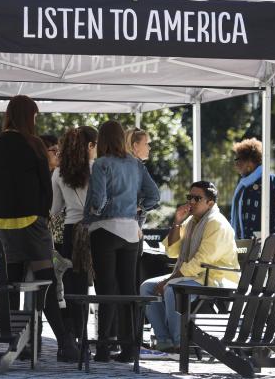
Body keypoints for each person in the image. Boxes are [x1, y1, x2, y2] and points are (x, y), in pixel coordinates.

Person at [0, 96, 80, 362]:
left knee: (11, 284)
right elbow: (45, 182)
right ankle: (65, 343)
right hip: (32, 222)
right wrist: (44, 215)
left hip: (2, 222)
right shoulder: (34, 143)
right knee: (47, 282)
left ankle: (15, 340)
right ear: (28, 116)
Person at [84, 120, 160, 363]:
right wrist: (137, 210)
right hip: (131, 232)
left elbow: (98, 199)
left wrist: (100, 210)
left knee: (106, 289)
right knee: (128, 290)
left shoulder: (101, 164)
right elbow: (154, 195)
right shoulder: (135, 164)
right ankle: (131, 347)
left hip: (104, 230)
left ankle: (104, 348)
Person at [140, 181, 239, 352]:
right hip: (195, 276)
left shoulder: (216, 223)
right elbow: (172, 251)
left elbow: (200, 261)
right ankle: (165, 341)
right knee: (147, 287)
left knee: (172, 288)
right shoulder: (192, 221)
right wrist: (177, 222)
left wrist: (170, 280)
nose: (191, 202)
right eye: (189, 197)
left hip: (214, 278)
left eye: (197, 198)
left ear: (210, 203)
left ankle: (180, 343)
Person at [51, 125, 97, 337]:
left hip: (71, 232)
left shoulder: (59, 172)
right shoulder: (98, 169)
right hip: (97, 229)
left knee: (74, 288)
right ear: (90, 146)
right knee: (103, 285)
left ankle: (76, 337)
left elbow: (55, 208)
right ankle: (107, 337)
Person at [231, 138, 275, 239]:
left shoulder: (269, 180)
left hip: (265, 246)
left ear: (250, 161)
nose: (236, 164)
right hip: (244, 244)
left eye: (238, 160)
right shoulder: (243, 184)